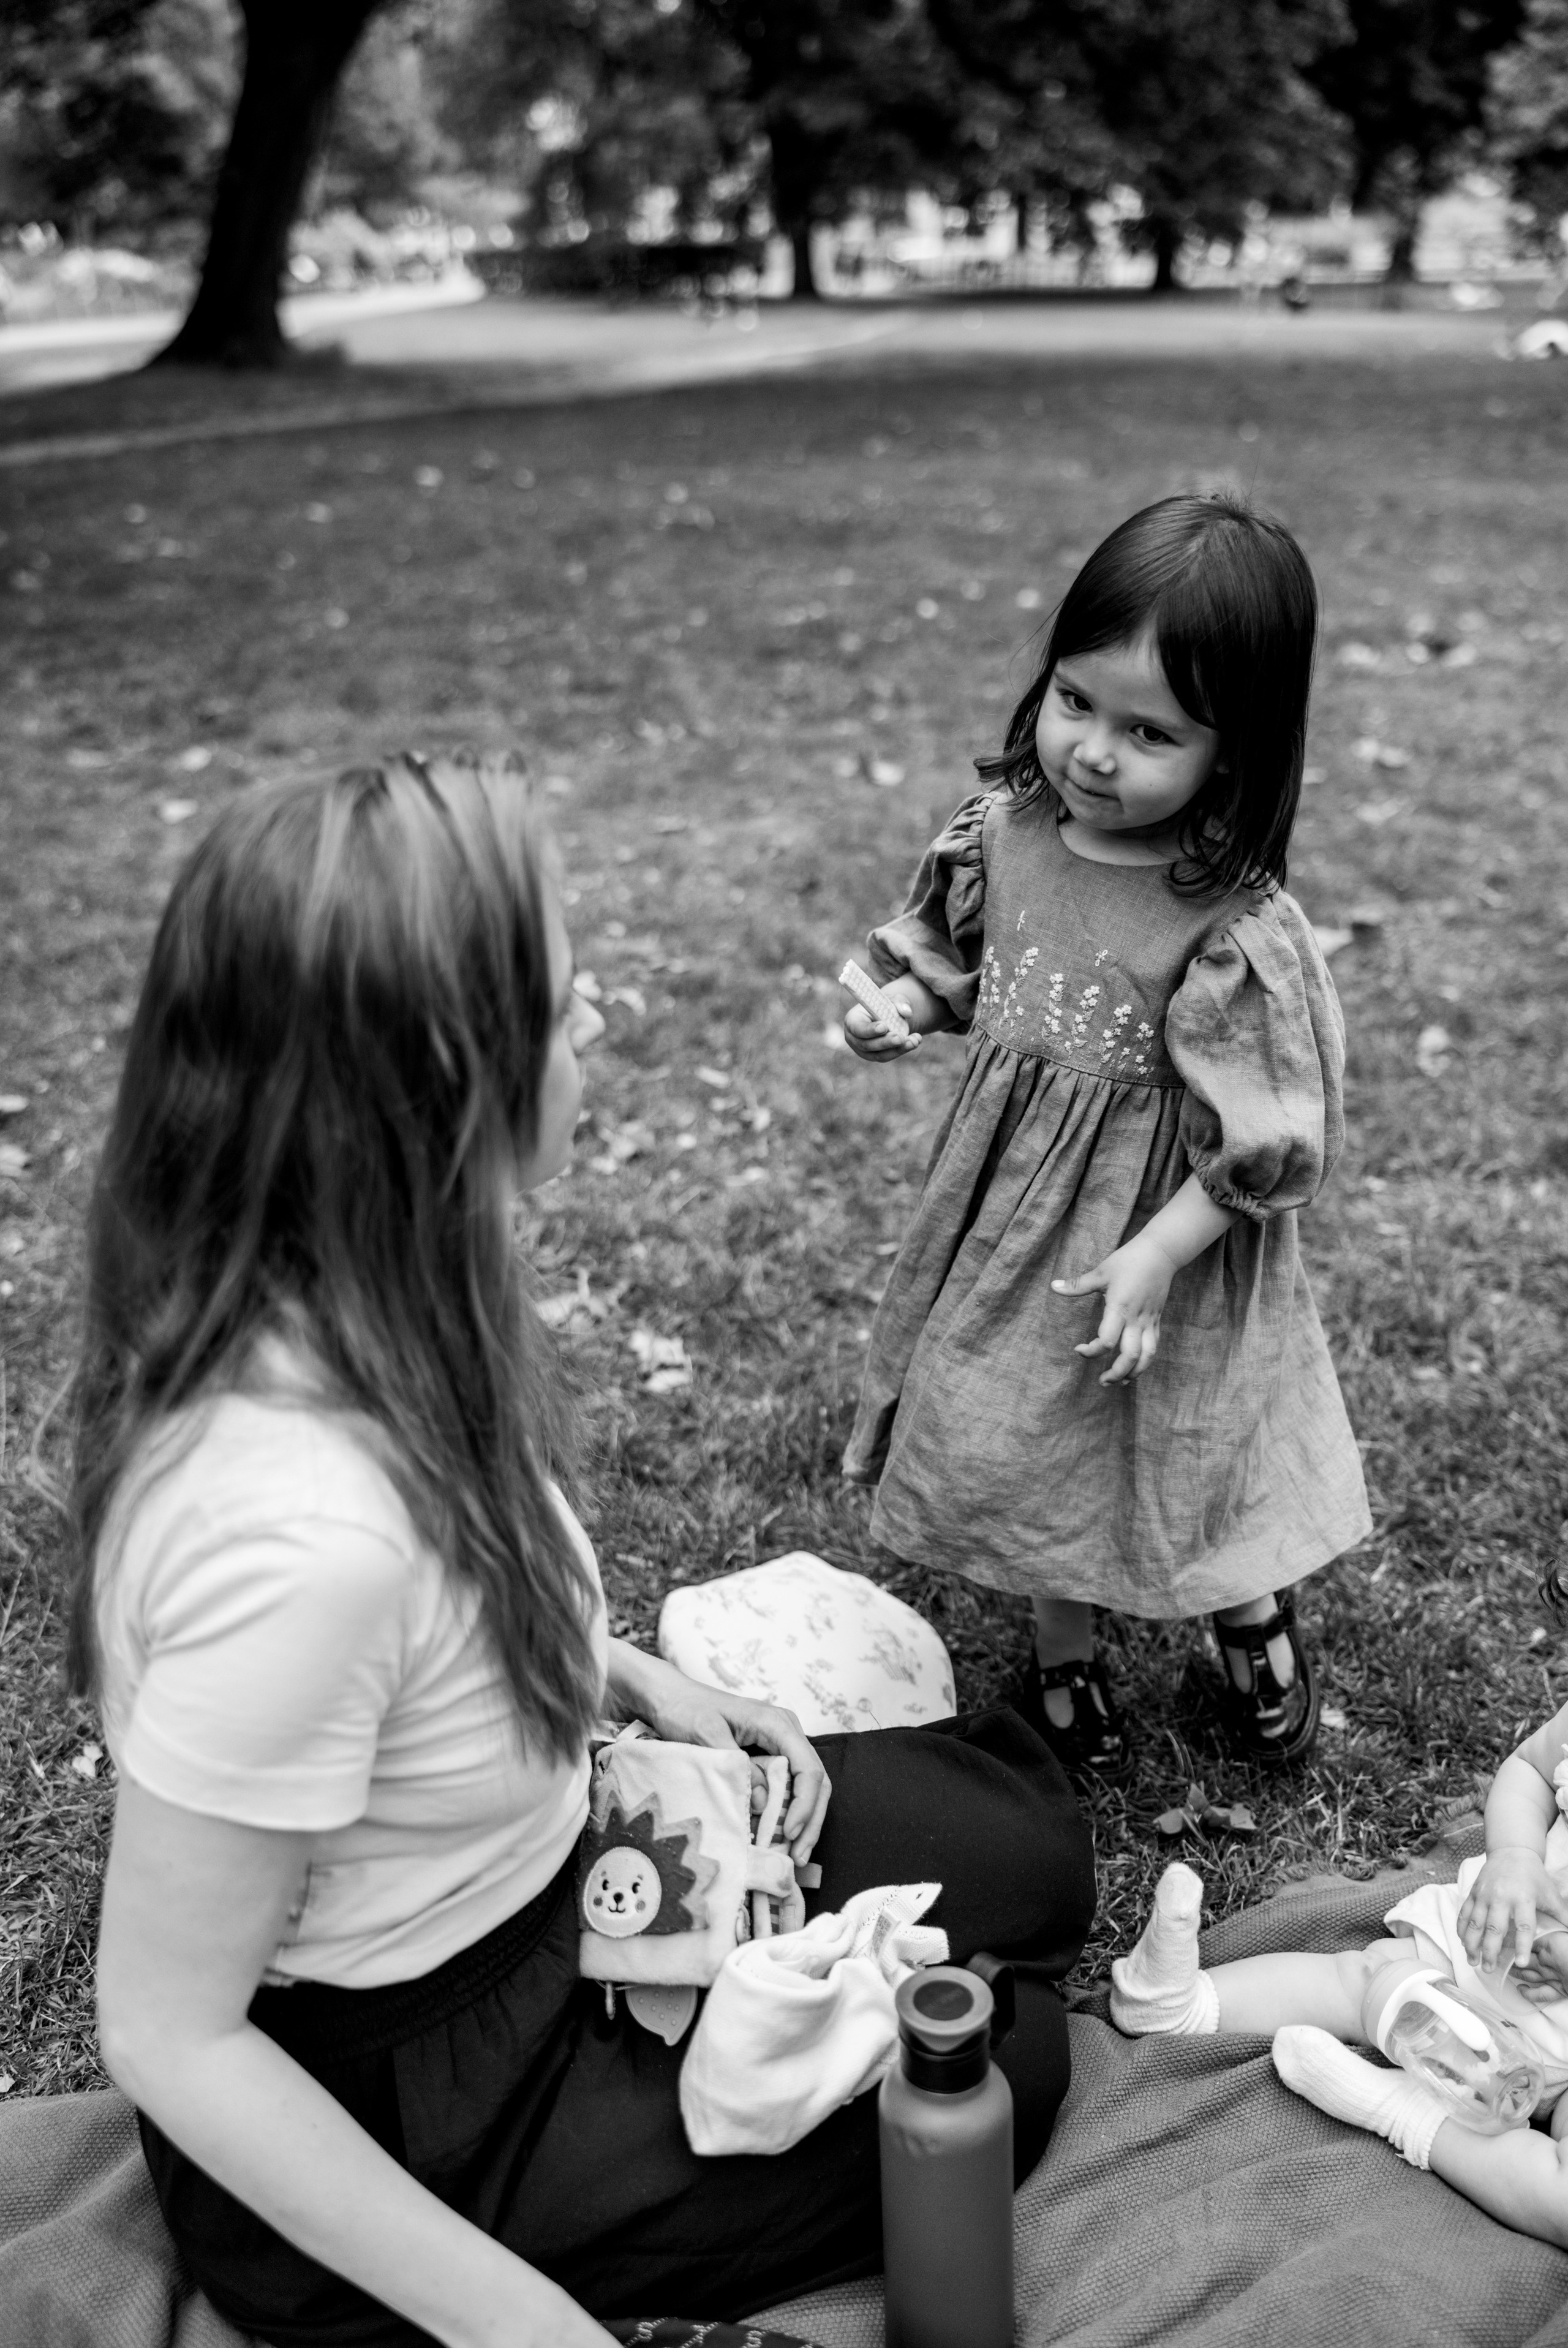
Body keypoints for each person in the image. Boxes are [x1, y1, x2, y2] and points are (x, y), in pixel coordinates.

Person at [76, 753, 1095, 2348]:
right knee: (1005, 2057)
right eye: (565, 997)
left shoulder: (392, 1287)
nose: (604, 1017)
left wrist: (624, 1685)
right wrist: (520, 2322)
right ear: (442, 1074)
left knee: (1033, 1848)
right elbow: (166, 2027)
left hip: (564, 1849)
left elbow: (451, 1612)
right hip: (431, 2081)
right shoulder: (294, 1535)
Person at [841, 496, 1370, 1781]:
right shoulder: (1003, 835)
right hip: (1010, 1219)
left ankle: (1245, 1617)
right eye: (1075, 701)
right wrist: (901, 1008)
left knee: (1188, 1447)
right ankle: (1061, 1654)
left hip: (1164, 1238)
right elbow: (962, 964)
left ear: (1230, 754)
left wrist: (1159, 1247)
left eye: (1148, 733)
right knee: (1018, 1432)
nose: (1090, 750)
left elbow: (1270, 1134)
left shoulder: (1226, 917)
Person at [1109, 1678, 1568, 2247]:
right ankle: (1176, 2004)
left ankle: (1403, 2112)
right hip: (1485, 1947)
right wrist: (1516, 1857)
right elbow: (1529, 1770)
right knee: (1360, 1978)